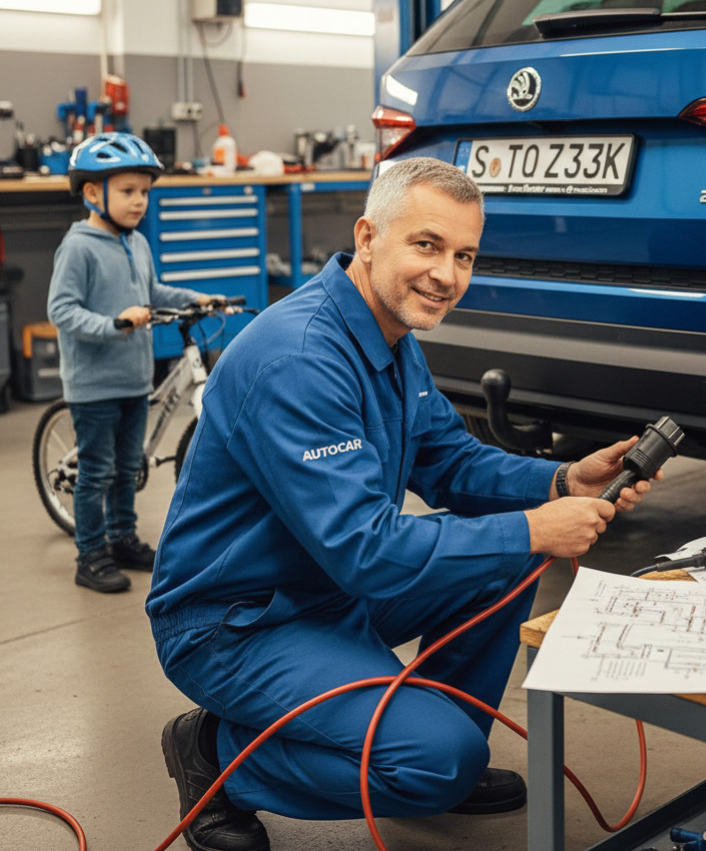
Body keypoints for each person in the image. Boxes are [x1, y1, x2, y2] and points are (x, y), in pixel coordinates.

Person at [147, 157, 662, 851]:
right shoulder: (298, 358)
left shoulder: (389, 337)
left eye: (464, 255)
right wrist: (533, 528)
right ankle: (219, 757)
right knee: (438, 756)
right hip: (236, 623)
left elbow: (450, 459)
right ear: (367, 237)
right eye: (427, 245)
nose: (447, 274)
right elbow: (366, 551)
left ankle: (430, 742)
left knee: (506, 560)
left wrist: (562, 482)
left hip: (323, 593)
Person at [47, 132, 221, 594]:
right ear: (92, 193)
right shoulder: (79, 247)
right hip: (93, 385)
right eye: (128, 191)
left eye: (145, 191)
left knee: (128, 468)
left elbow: (154, 292)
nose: (140, 201)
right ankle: (90, 554)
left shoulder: (136, 243)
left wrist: (195, 298)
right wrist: (114, 323)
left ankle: (122, 537)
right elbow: (61, 310)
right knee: (97, 473)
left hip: (132, 379)